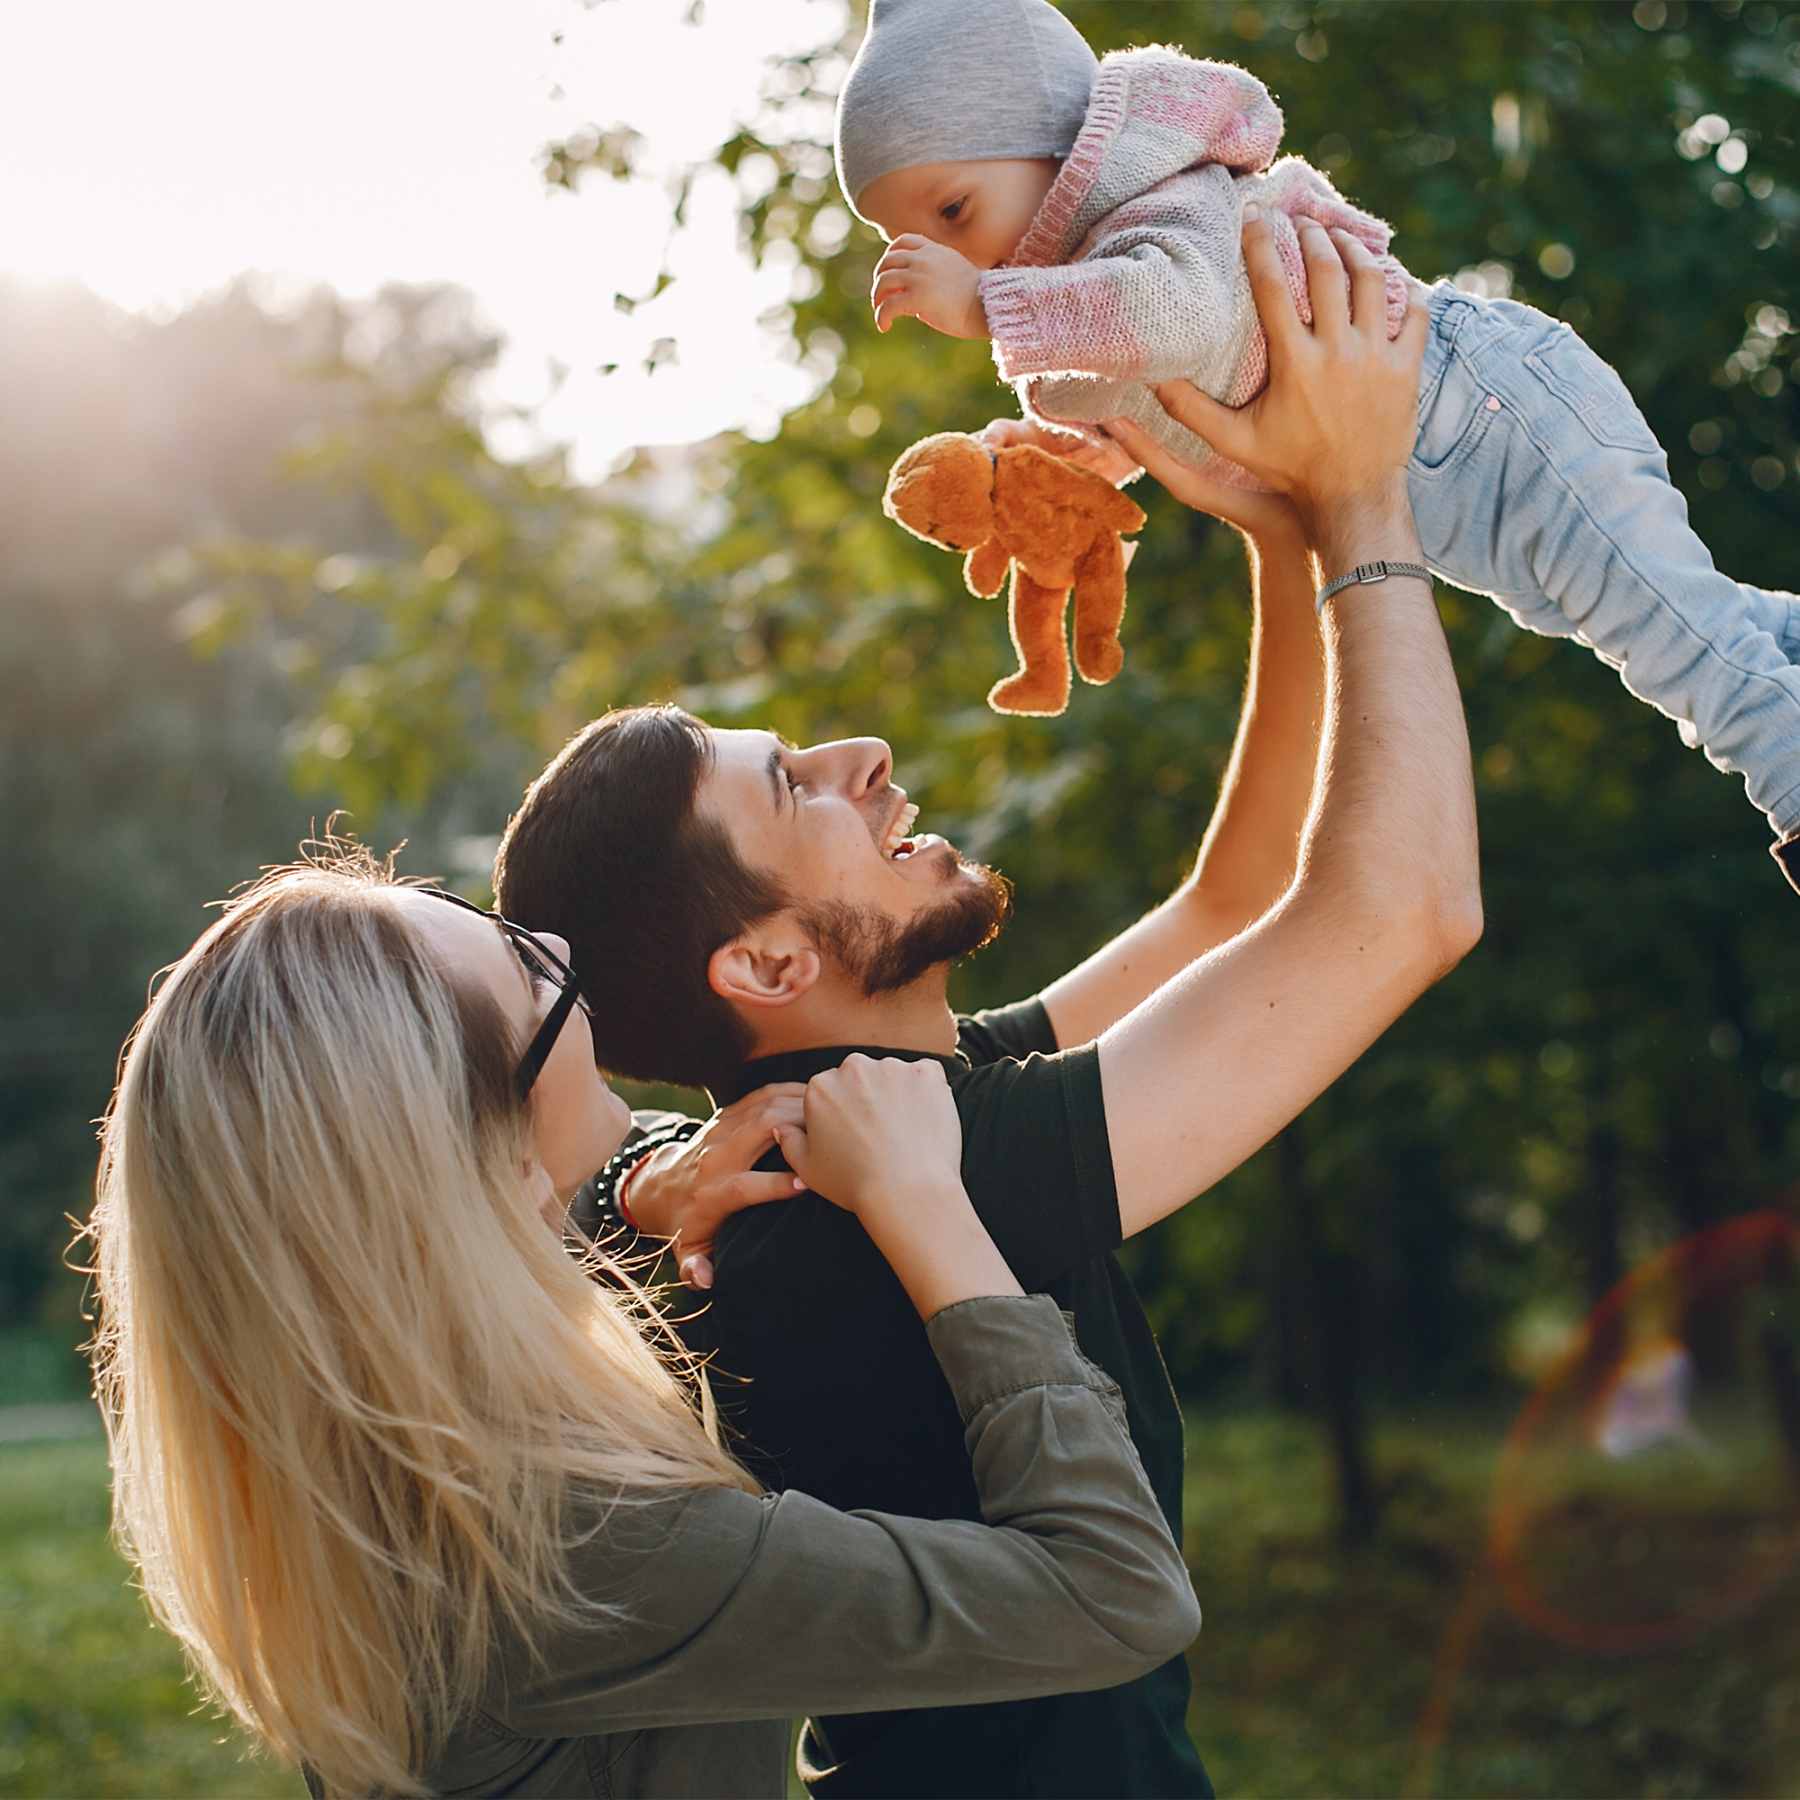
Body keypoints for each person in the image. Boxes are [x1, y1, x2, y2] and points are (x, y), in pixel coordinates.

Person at [493, 217, 1482, 1796]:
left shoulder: (859, 1120)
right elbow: (1405, 908)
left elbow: (1230, 907)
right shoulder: (899, 1164)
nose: (862, 758)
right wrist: (1367, 499)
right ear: (760, 969)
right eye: (791, 786)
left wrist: (1281, 533)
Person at [86, 843, 1203, 1799]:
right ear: (497, 1163)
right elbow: (1115, 1596)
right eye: (530, 977)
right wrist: (931, 1216)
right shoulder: (579, 1547)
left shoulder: (399, 1419)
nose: (565, 955)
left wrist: (629, 1182)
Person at [842, 0, 1800, 884]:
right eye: (909, 236)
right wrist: (1108, 450)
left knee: (1681, 653)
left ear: (1055, 141)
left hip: (1491, 415)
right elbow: (1200, 374)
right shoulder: (1097, 258)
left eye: (956, 212)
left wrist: (984, 307)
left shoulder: (1156, 204)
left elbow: (1179, 312)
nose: (956, 255)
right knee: (1701, 621)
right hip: (1444, 470)